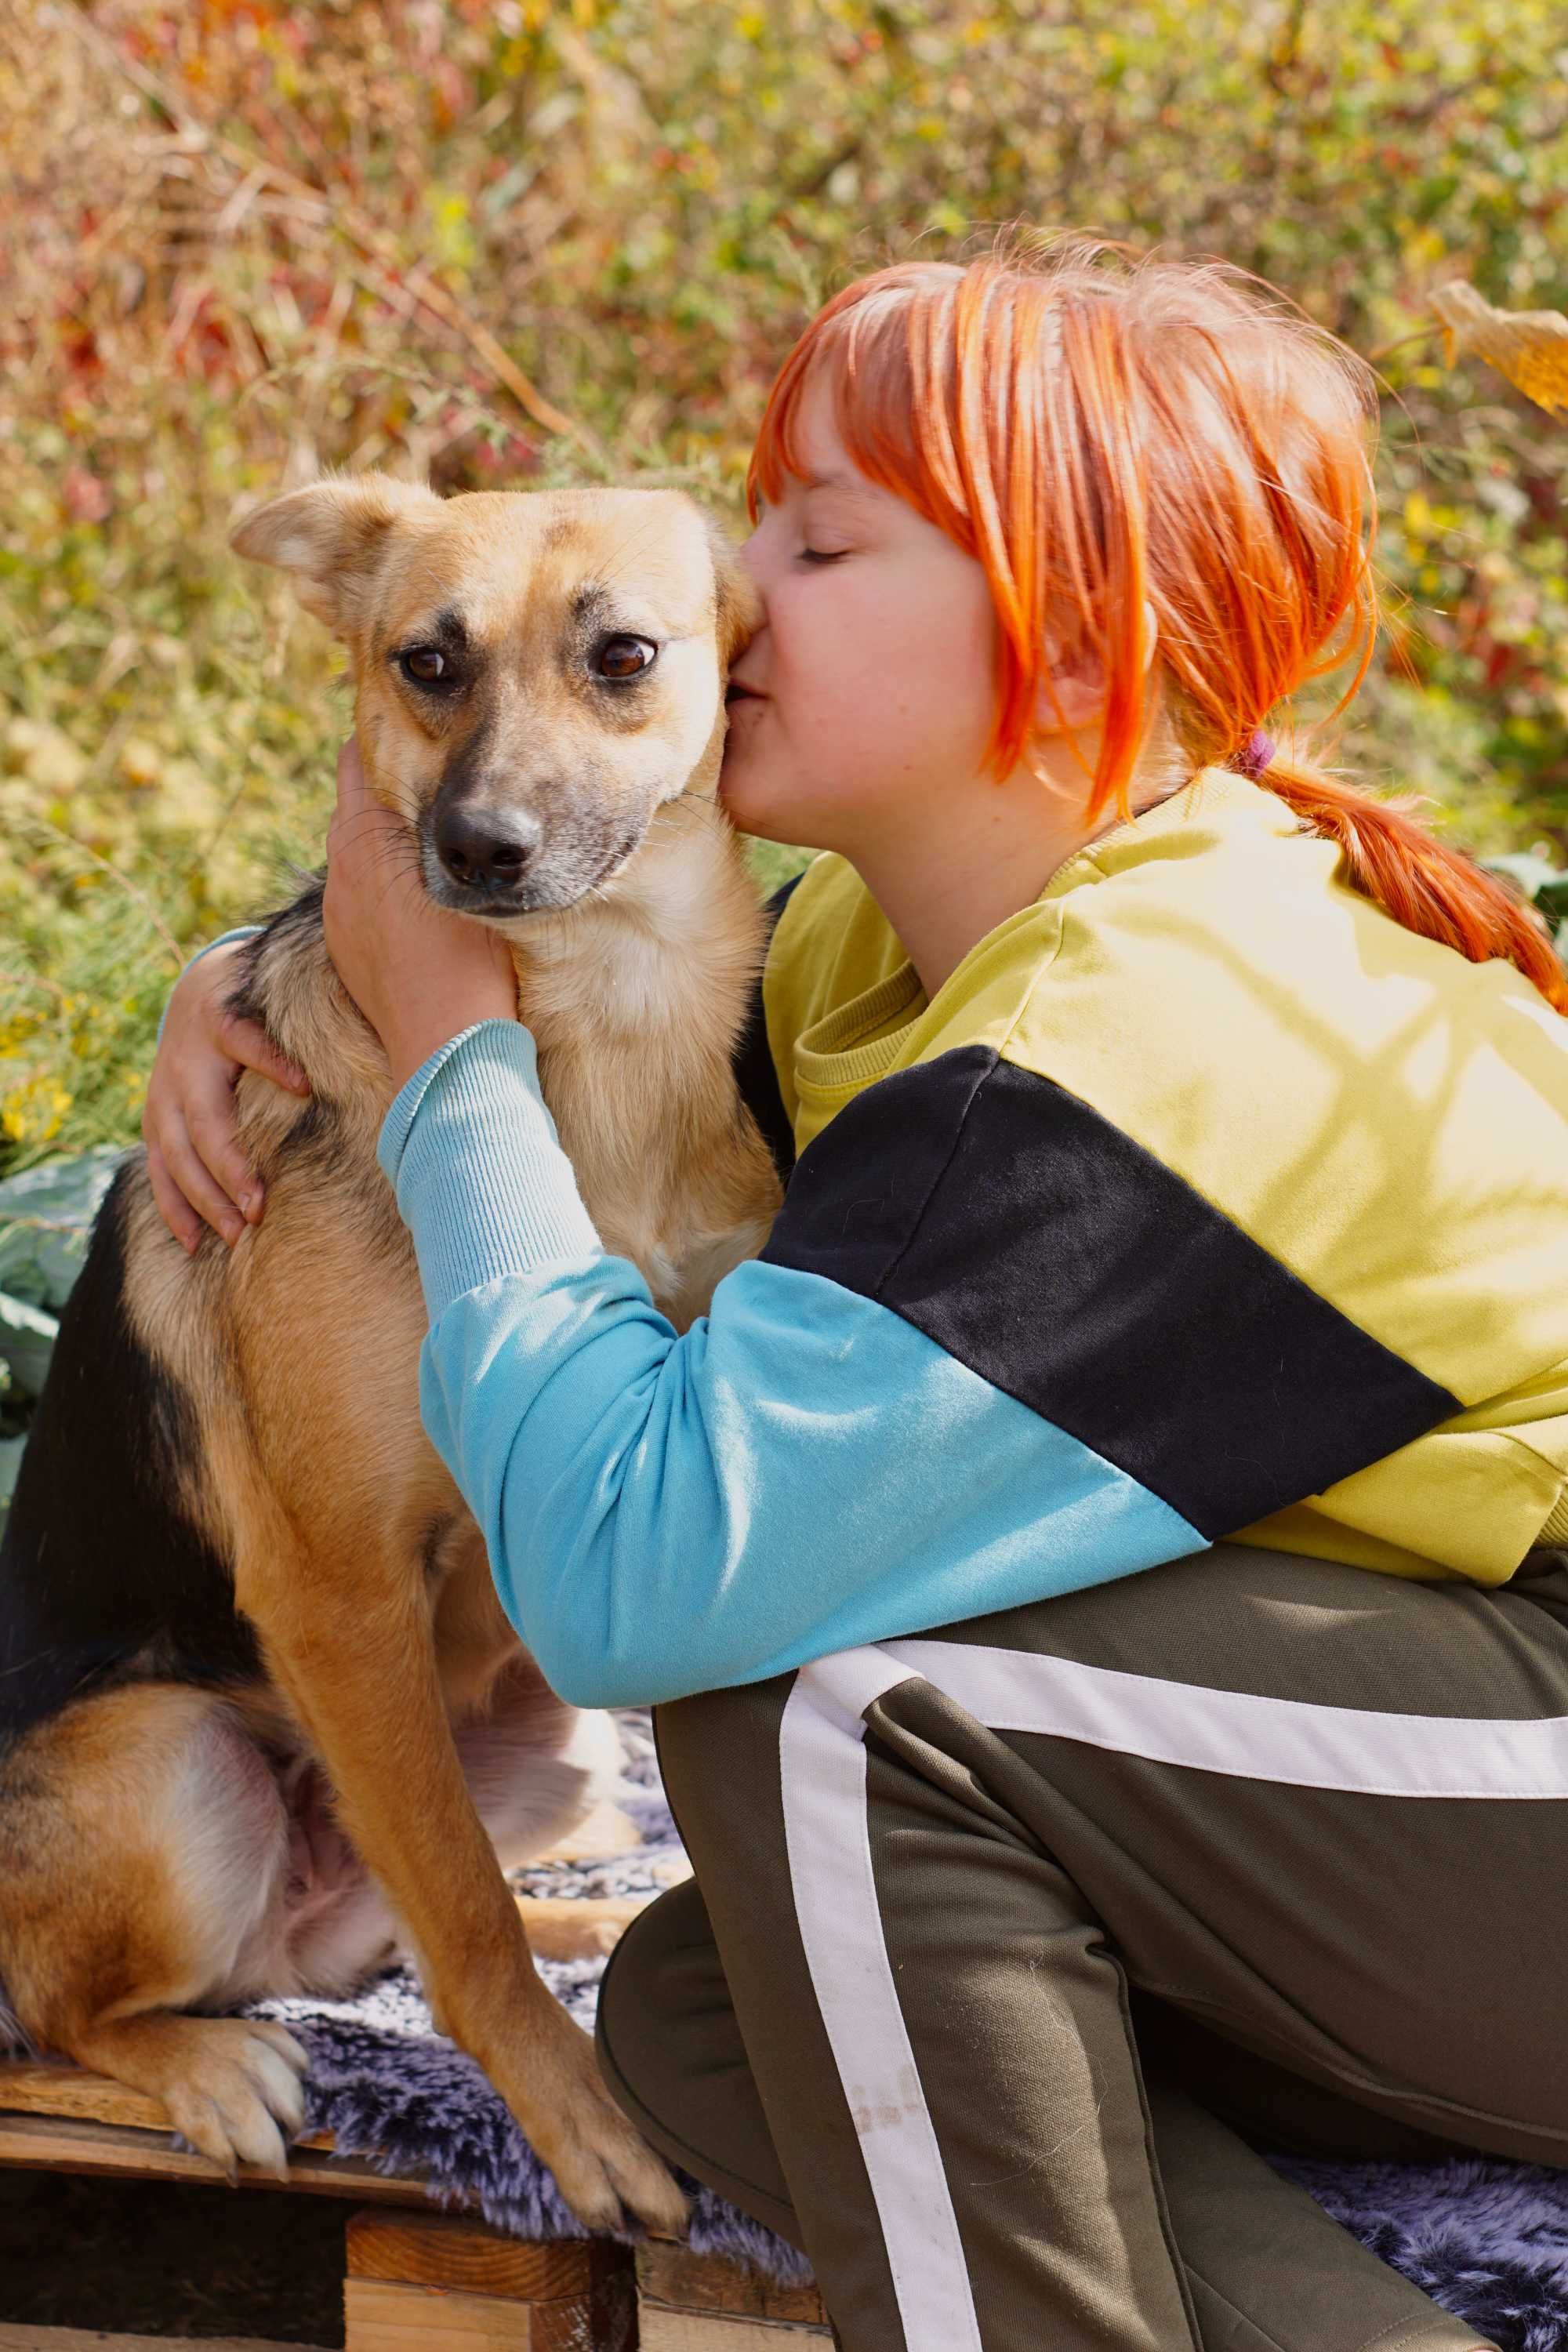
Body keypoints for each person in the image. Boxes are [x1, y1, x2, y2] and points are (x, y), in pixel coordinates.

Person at [144, 237, 1568, 2352]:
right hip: (1378, 1813)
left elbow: (643, 1582)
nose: (730, 581)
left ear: (1074, 644)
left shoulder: (1135, 1041)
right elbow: (589, 1037)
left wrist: (450, 1062)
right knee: (712, 2012)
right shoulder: (857, 956)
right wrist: (258, 995)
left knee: (828, 1694)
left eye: (813, 540)